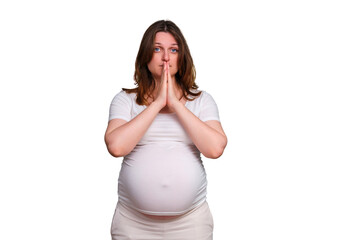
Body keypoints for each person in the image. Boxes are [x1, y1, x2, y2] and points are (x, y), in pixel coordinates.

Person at [105, 20, 227, 240]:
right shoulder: (125, 100)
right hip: (133, 223)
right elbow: (116, 146)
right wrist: (157, 103)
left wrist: (176, 105)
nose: (166, 57)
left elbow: (215, 149)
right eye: (157, 48)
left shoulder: (202, 101)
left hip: (191, 223)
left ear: (182, 57)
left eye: (173, 49)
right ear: (146, 55)